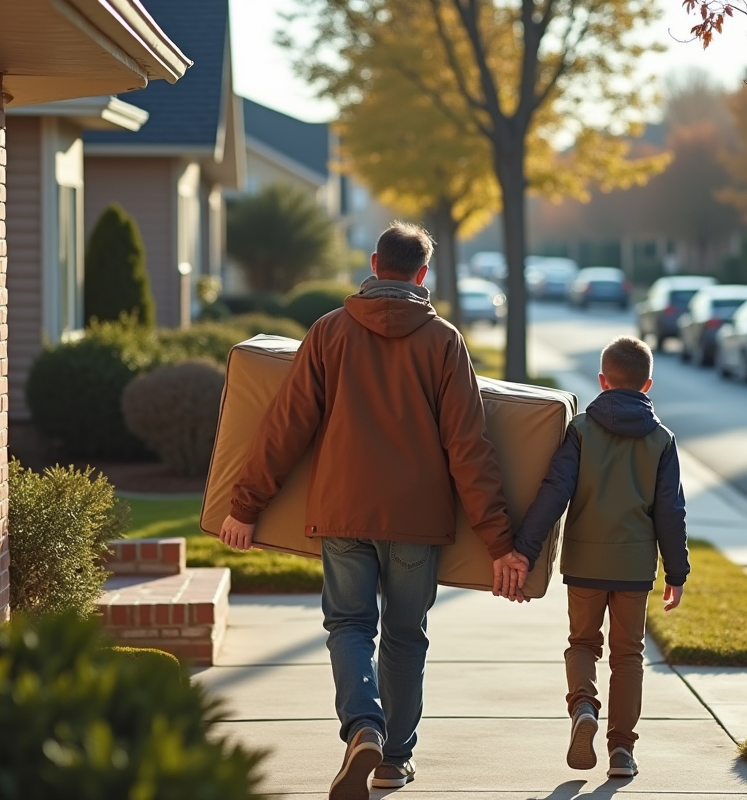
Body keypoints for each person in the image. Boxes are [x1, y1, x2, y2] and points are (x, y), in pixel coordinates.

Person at [218, 221, 529, 800]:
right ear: (422, 274)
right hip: (417, 520)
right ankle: (393, 761)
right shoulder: (444, 342)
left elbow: (286, 427)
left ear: (373, 263)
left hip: (342, 512)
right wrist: (500, 541)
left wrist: (245, 505)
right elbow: (469, 449)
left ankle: (363, 725)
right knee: (406, 637)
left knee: (350, 625)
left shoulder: (329, 332)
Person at [513, 335, 690, 779]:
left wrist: (525, 549)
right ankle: (622, 751)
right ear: (647, 385)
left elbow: (555, 493)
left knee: (582, 644)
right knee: (628, 655)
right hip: (633, 567)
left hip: (585, 563)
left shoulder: (581, 430)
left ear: (602, 381)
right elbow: (671, 511)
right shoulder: (662, 440)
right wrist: (676, 570)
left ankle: (584, 706)